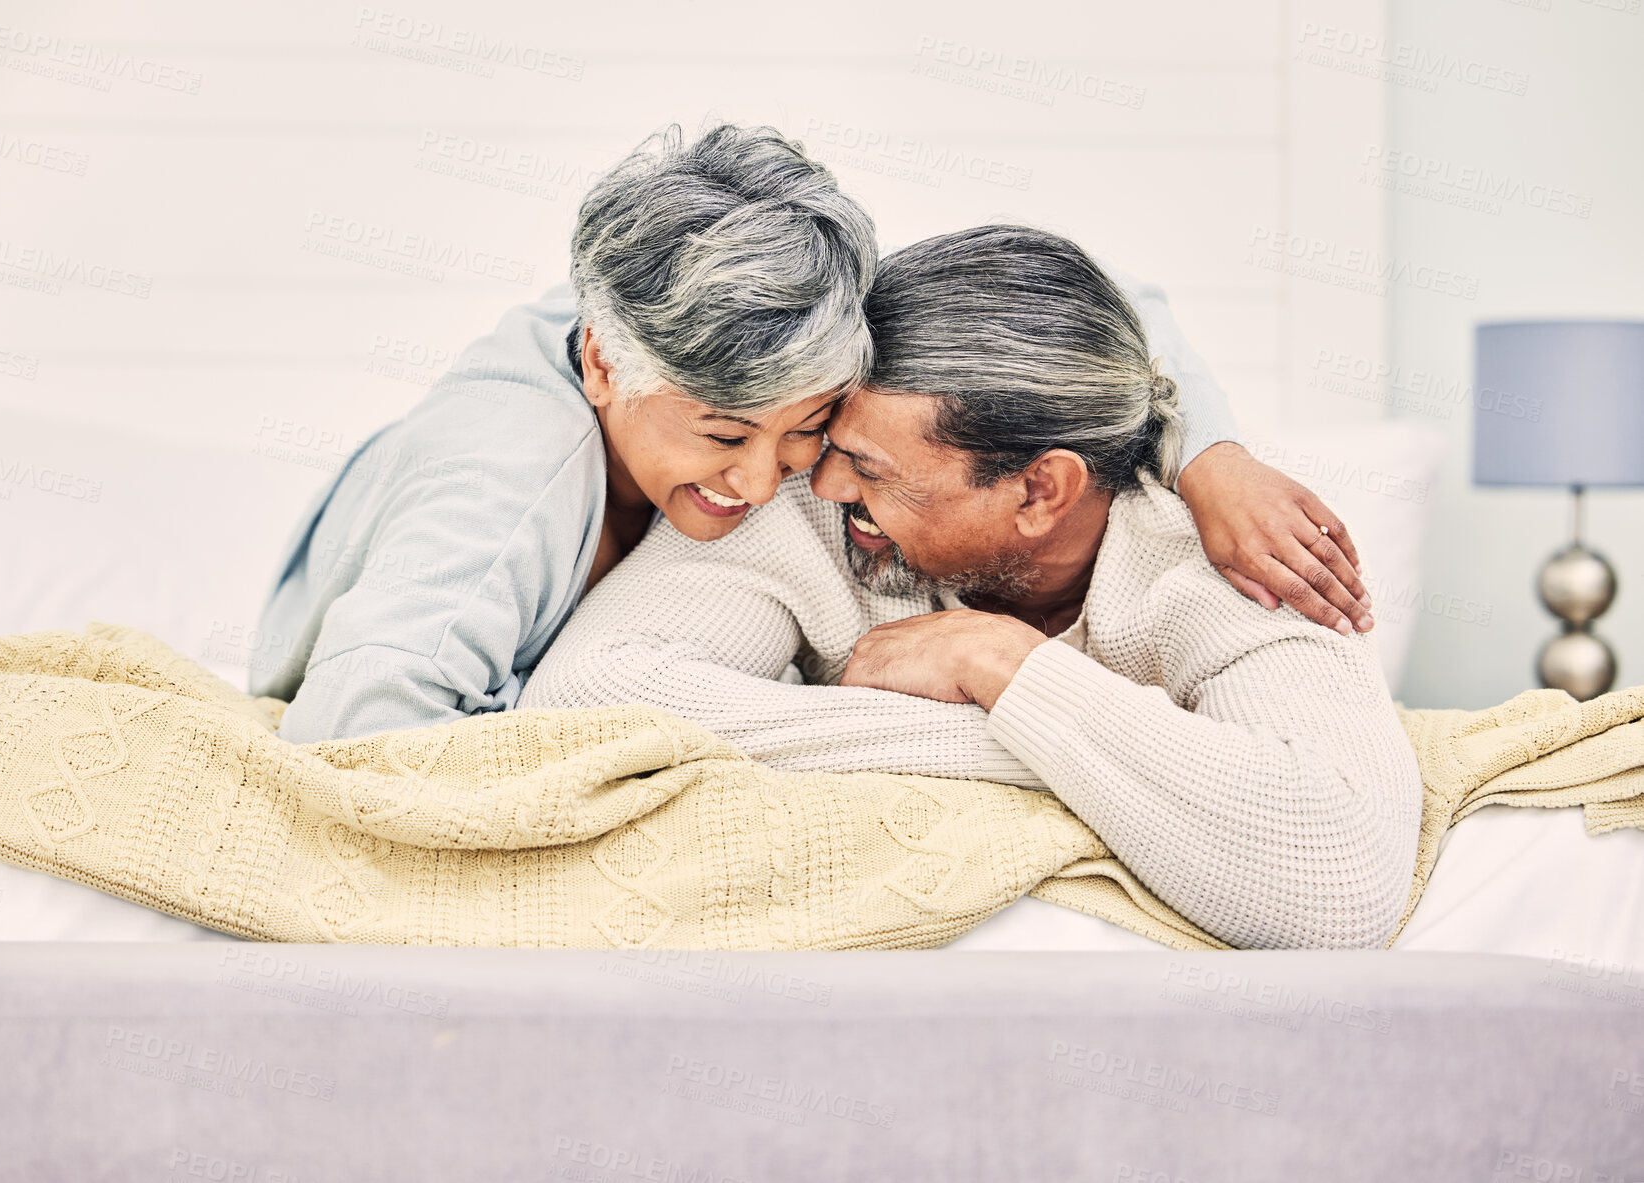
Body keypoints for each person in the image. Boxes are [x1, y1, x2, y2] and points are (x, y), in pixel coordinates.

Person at [254, 121, 1373, 747]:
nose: (765, 481)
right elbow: (349, 739)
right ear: (601, 364)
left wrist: (1211, 453)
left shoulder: (793, 311)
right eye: (721, 433)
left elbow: (1081, 309)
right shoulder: (501, 486)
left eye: (809, 432)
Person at [521, 226, 1422, 950]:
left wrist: (1006, 666)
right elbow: (584, 701)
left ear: (1040, 491)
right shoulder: (806, 492)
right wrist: (1063, 747)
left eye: (869, 468)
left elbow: (1337, 884)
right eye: (828, 439)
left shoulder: (1231, 561)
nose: (820, 484)